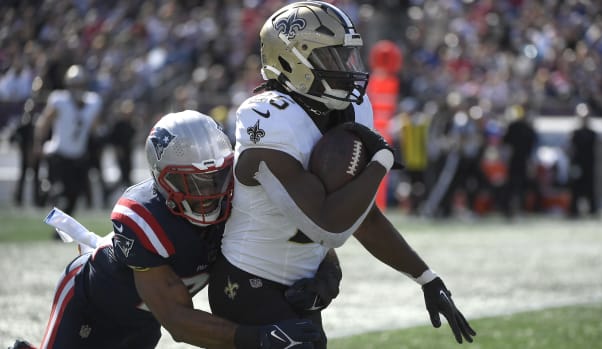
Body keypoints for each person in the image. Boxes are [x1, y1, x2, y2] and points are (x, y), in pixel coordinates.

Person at [208, 1, 476, 347]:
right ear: (291, 61)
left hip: (304, 286)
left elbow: (363, 216)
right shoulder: (268, 117)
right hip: (247, 283)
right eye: (331, 57)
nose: (346, 67)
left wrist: (426, 277)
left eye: (347, 56)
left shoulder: (351, 108)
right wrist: (380, 161)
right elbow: (327, 225)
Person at [13, 111, 333, 349]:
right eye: (194, 181)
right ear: (163, 181)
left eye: (218, 177)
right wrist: (260, 338)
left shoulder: (242, 199)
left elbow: (306, 239)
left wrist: (327, 278)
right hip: (89, 305)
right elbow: (179, 322)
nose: (210, 192)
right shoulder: (143, 216)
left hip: (144, 323)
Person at [32, 64, 102, 217]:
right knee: (60, 193)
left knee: (74, 196)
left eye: (79, 84)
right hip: (59, 154)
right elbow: (44, 122)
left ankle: (62, 227)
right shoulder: (59, 100)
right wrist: (38, 143)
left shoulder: (93, 102)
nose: (76, 88)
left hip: (78, 156)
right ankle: (49, 198)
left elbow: (95, 129)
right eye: (73, 85)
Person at [568, 103, 598, 218]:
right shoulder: (575, 133)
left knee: (590, 188)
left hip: (589, 164)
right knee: (576, 188)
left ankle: (592, 209)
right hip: (577, 164)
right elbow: (571, 149)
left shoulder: (592, 133)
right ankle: (574, 210)